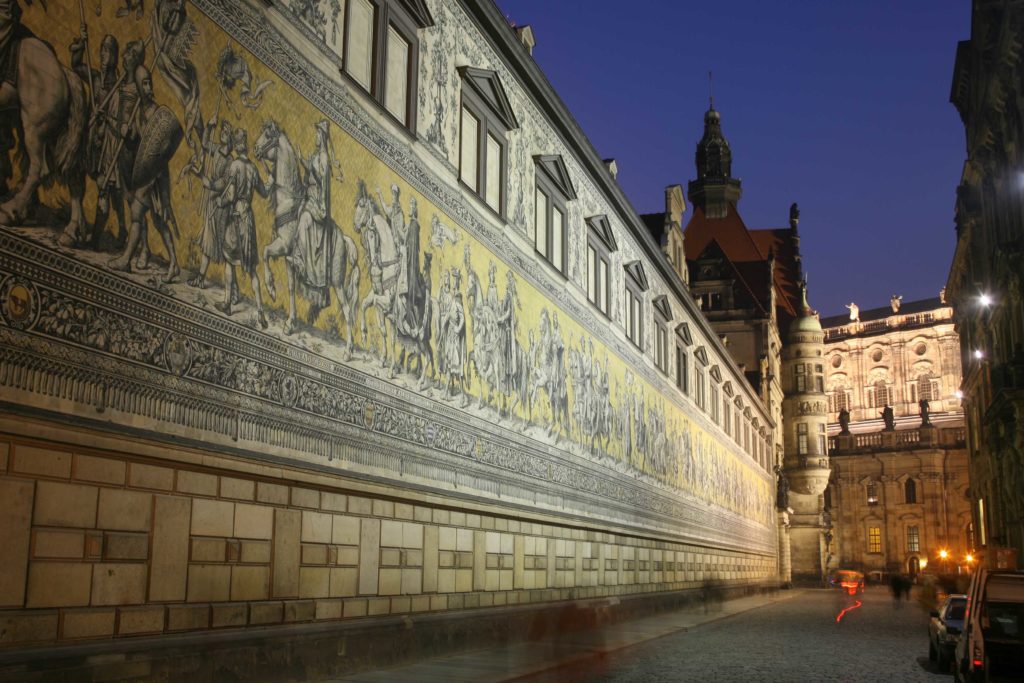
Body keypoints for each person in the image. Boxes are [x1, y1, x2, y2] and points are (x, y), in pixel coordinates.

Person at [207, 128, 270, 327]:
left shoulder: (234, 166)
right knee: (251, 269)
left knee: (228, 260)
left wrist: (220, 201)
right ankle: (260, 311)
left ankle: (227, 303)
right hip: (248, 219)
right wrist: (270, 177)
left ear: (237, 143)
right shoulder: (252, 169)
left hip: (235, 217)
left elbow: (231, 195)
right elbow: (265, 191)